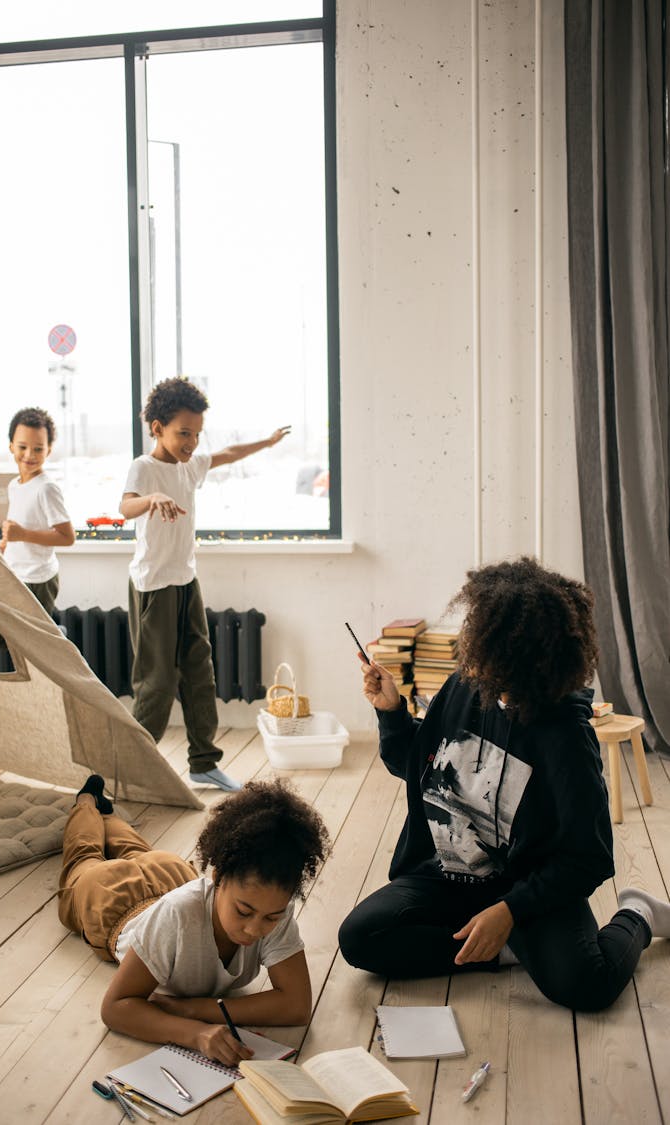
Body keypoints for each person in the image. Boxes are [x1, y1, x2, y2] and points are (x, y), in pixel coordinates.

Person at [338, 556, 670, 1013]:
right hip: (450, 875)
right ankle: (505, 950)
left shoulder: (566, 737)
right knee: (359, 939)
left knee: (587, 985)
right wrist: (391, 711)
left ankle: (639, 913)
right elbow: (415, 767)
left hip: (529, 890)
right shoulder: (465, 686)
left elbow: (588, 857)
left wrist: (511, 910)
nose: (499, 690)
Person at [57, 775, 329, 1064]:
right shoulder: (178, 914)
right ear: (217, 877)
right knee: (84, 853)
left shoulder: (273, 906)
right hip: (112, 902)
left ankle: (106, 813)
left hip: (170, 874)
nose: (254, 929)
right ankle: (86, 802)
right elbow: (115, 1008)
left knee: (133, 849)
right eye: (243, 912)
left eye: (271, 917)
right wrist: (195, 1033)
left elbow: (297, 1006)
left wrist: (192, 1009)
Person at [120, 376, 290, 792]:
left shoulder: (191, 465)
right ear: (157, 427)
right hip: (153, 588)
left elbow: (227, 454)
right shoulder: (144, 467)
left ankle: (203, 762)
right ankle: (131, 769)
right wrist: (151, 500)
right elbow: (125, 506)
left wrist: (265, 444)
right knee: (157, 683)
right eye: (183, 433)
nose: (192, 443)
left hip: (185, 582)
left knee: (200, 672)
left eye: (196, 434)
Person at [0, 406, 75, 649]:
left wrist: (22, 535)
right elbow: (19, 525)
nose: (30, 454)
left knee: (28, 646)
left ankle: (52, 634)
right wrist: (7, 544)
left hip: (38, 579)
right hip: (14, 574)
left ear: (49, 450)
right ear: (11, 447)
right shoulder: (14, 486)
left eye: (38, 449)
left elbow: (67, 537)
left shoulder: (47, 488)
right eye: (23, 447)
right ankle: (50, 632)